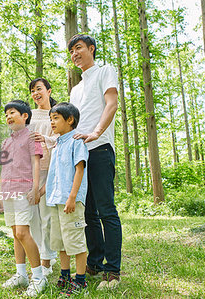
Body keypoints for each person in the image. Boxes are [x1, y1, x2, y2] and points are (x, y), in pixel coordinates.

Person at [68, 34, 122, 289]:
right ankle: (95, 261)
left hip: (99, 149)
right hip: (79, 155)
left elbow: (111, 104)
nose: (74, 54)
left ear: (91, 49)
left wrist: (96, 133)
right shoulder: (75, 89)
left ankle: (112, 271)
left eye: (78, 48)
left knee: (105, 210)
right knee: (87, 212)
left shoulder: (105, 71)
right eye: (71, 51)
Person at [0, 100, 47, 297]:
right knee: (15, 233)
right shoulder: (6, 141)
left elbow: (36, 163)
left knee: (23, 232)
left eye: (12, 113)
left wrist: (35, 189)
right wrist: (1, 194)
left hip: (24, 191)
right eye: (6, 114)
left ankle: (38, 276)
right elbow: (4, 168)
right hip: (8, 191)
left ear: (25, 116)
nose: (8, 117)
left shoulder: (31, 136)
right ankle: (21, 274)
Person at [44, 102, 89, 296]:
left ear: (70, 120)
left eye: (56, 118)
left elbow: (79, 170)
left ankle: (80, 282)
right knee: (60, 241)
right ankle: (65, 276)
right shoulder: (57, 144)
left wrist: (72, 197)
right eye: (50, 118)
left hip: (71, 201)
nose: (52, 122)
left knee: (75, 241)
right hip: (56, 200)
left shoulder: (76, 141)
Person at [28, 78, 58, 276]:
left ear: (48, 90)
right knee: (32, 219)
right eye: (32, 90)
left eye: (38, 89)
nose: (35, 93)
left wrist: (45, 139)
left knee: (47, 216)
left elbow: (63, 136)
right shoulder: (29, 115)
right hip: (30, 171)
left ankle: (48, 260)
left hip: (51, 168)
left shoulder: (57, 113)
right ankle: (38, 257)